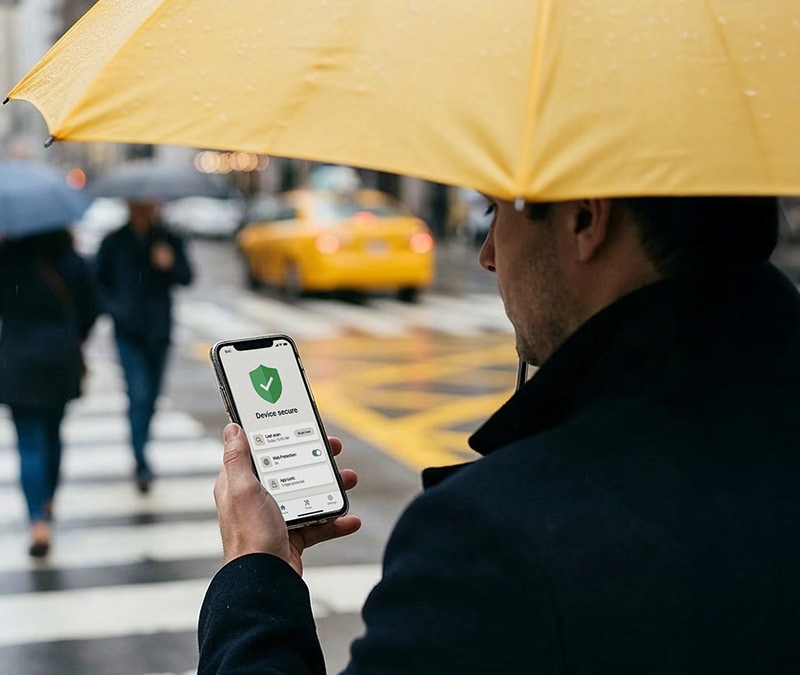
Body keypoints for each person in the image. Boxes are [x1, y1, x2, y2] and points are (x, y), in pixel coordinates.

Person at [197, 195, 800, 673]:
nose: (487, 254)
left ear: (586, 218)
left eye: (494, 212)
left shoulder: (501, 539)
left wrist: (256, 570)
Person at [0, 229, 99, 558]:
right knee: (53, 433)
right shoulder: (70, 259)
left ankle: (37, 520)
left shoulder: (8, 259)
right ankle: (49, 500)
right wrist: (74, 334)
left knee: (29, 442)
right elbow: (91, 306)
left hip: (17, 358)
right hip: (60, 356)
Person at [94, 201, 193, 493]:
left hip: (159, 330)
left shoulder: (168, 239)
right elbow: (98, 283)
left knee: (150, 397)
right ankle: (140, 461)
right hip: (128, 332)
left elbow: (187, 277)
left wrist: (170, 264)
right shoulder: (114, 241)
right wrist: (116, 309)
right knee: (138, 394)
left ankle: (142, 446)